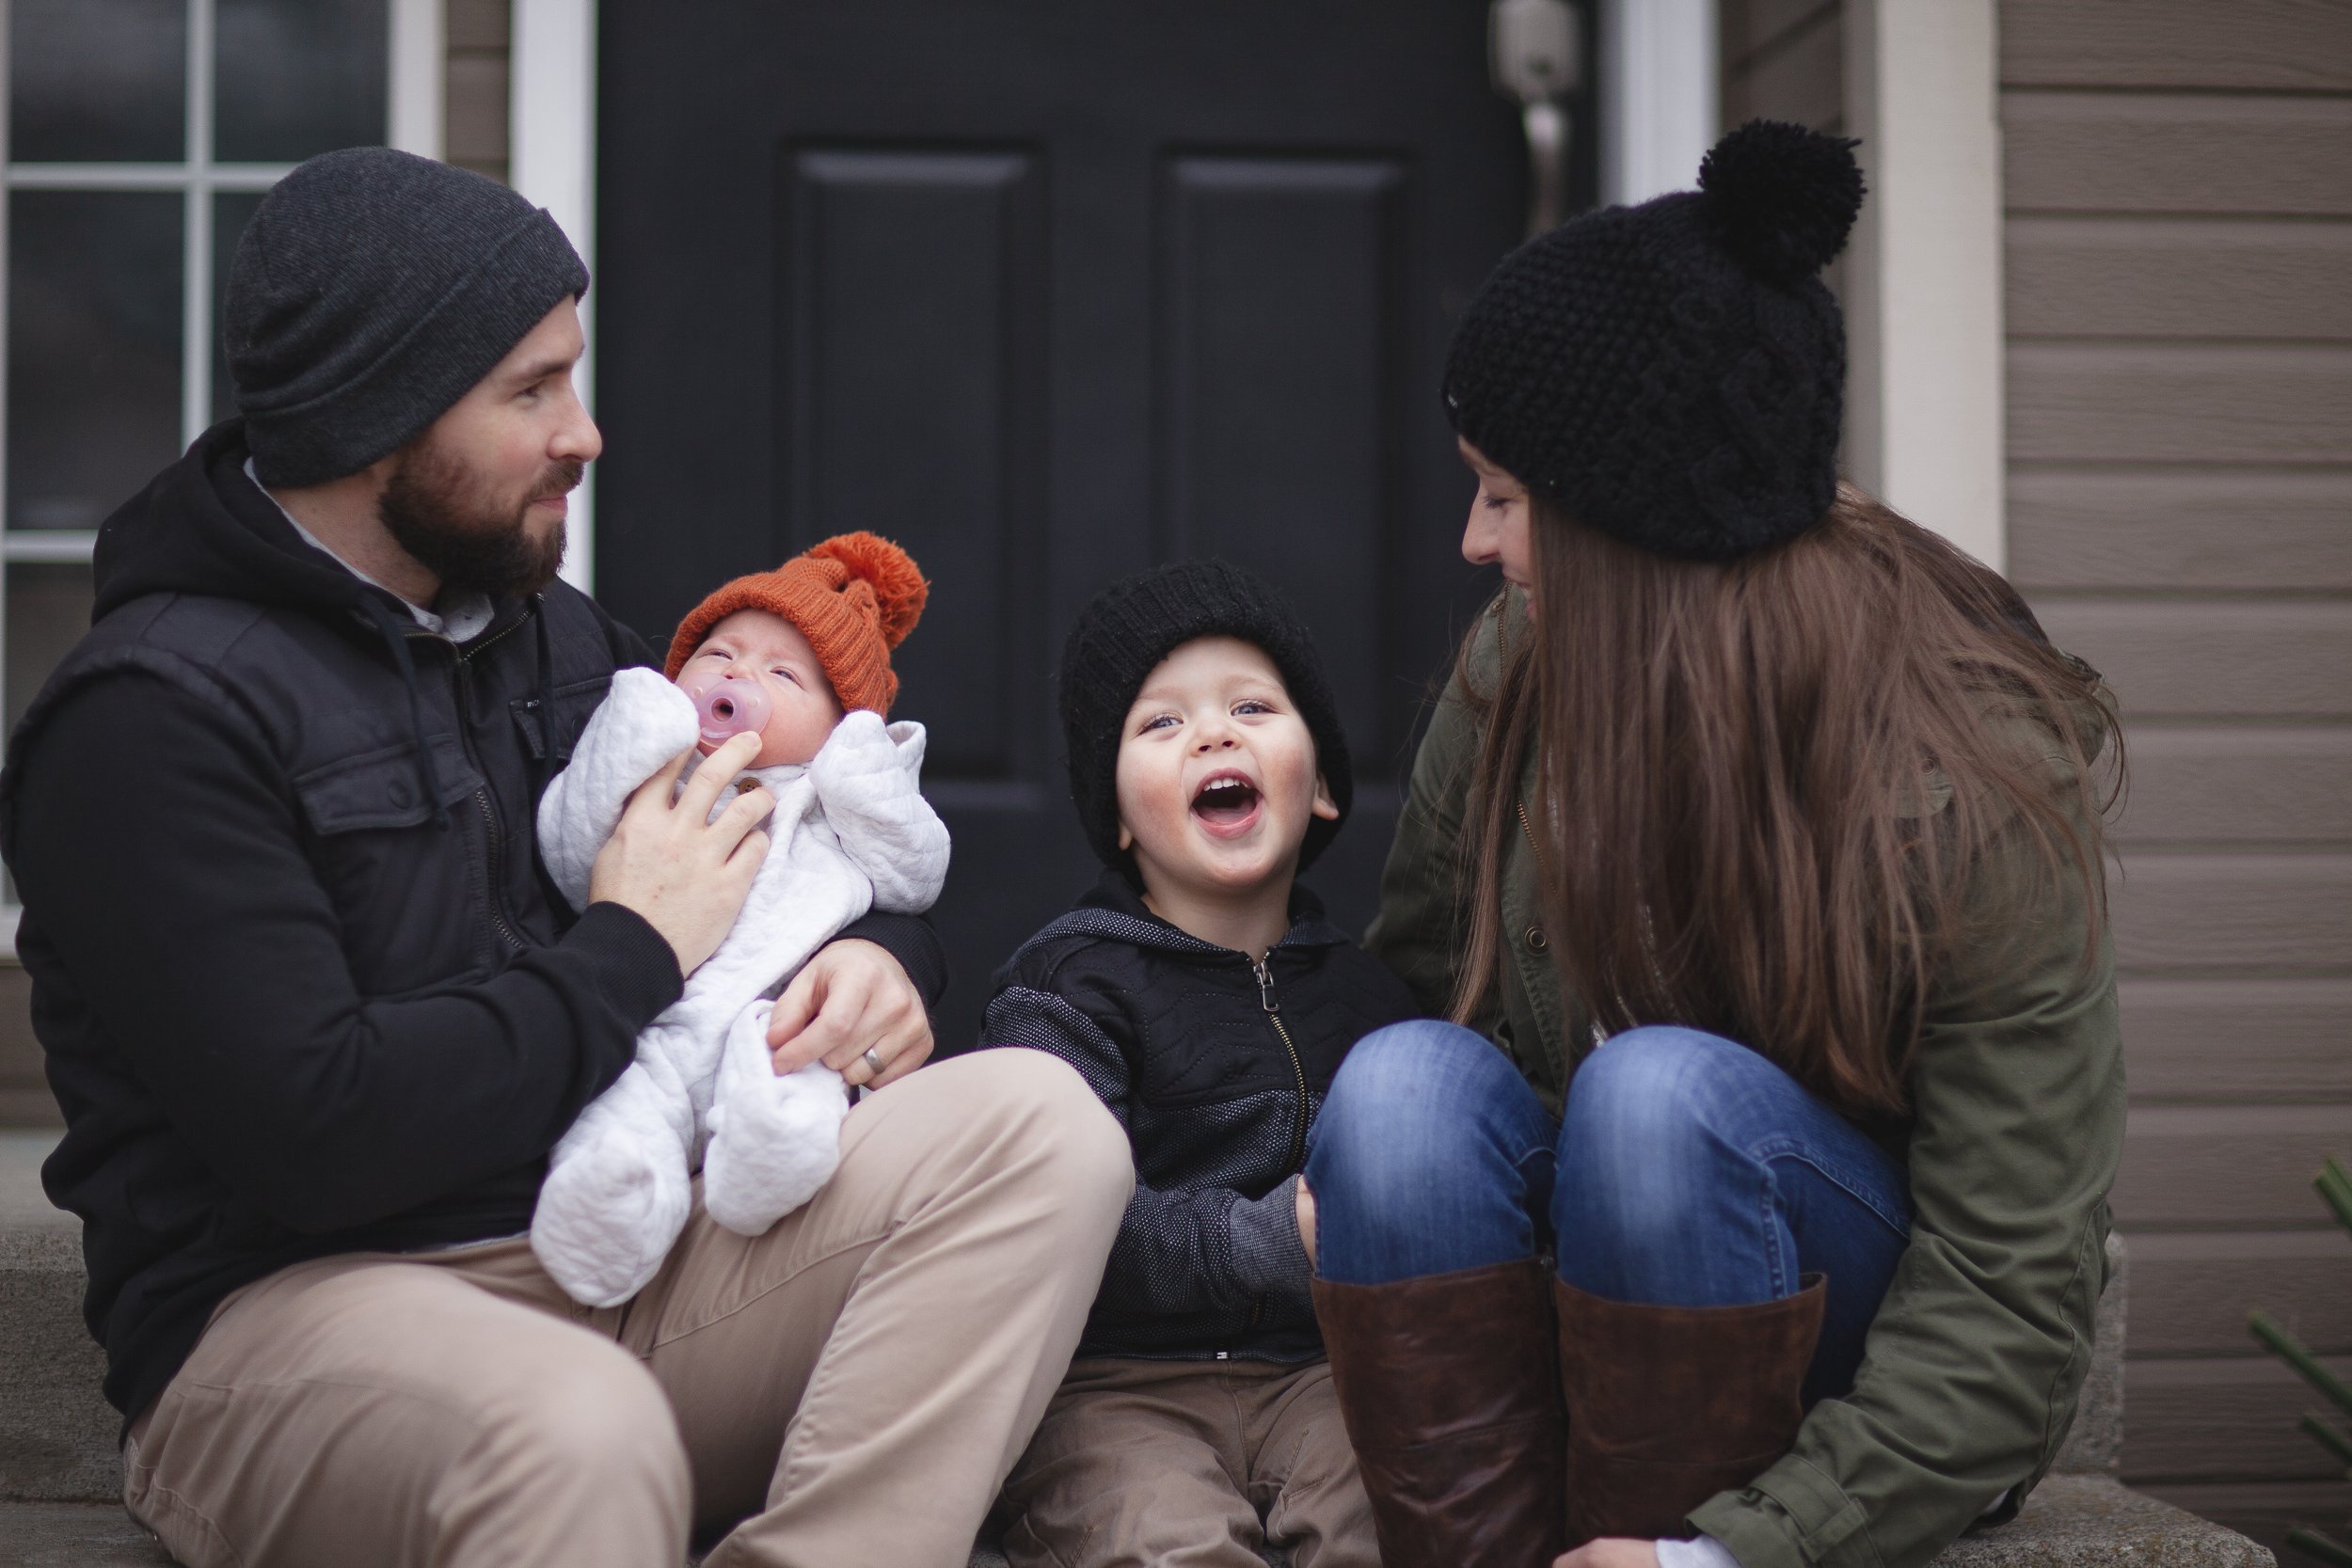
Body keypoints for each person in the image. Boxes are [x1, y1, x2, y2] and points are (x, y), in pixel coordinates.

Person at [0, 147, 1128, 1568]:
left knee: (1044, 1124)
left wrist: (874, 961)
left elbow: (783, 841)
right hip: (298, 1318)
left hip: (627, 1243)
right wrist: (630, 948)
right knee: (576, 1426)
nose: (584, 433)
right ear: (377, 418)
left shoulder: (546, 638)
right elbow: (320, 1138)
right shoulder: (151, 720)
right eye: (531, 391)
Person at [1301, 122, 2126, 1568]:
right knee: (1396, 1090)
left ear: (1630, 528)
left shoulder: (1958, 775)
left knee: (1663, 1099)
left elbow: (2011, 1289)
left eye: (1504, 494)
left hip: (1858, 1368)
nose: (1473, 542)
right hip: (1571, 1325)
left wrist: (1741, 1553)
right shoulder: (1521, 677)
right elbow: (1418, 988)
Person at [984, 562, 1416, 1568]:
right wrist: (1255, 1240)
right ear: (1121, 818)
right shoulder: (1066, 985)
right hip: (1114, 1384)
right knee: (1163, 1541)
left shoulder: (1375, 998)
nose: (1215, 733)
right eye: (1161, 723)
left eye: (1252, 706)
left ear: (1323, 791)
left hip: (1324, 1375)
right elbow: (1050, 1216)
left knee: (1382, 1520)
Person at [531, 531, 951, 1307]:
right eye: (718, 653)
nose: (737, 675)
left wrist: (862, 768)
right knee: (625, 1111)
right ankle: (609, 1213)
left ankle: (770, 1155)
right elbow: (566, 850)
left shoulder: (831, 801)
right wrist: (631, 731)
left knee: (795, 1075)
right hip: (645, 1027)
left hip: (775, 1022)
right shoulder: (655, 776)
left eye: (783, 672)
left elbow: (915, 874)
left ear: (837, 725)